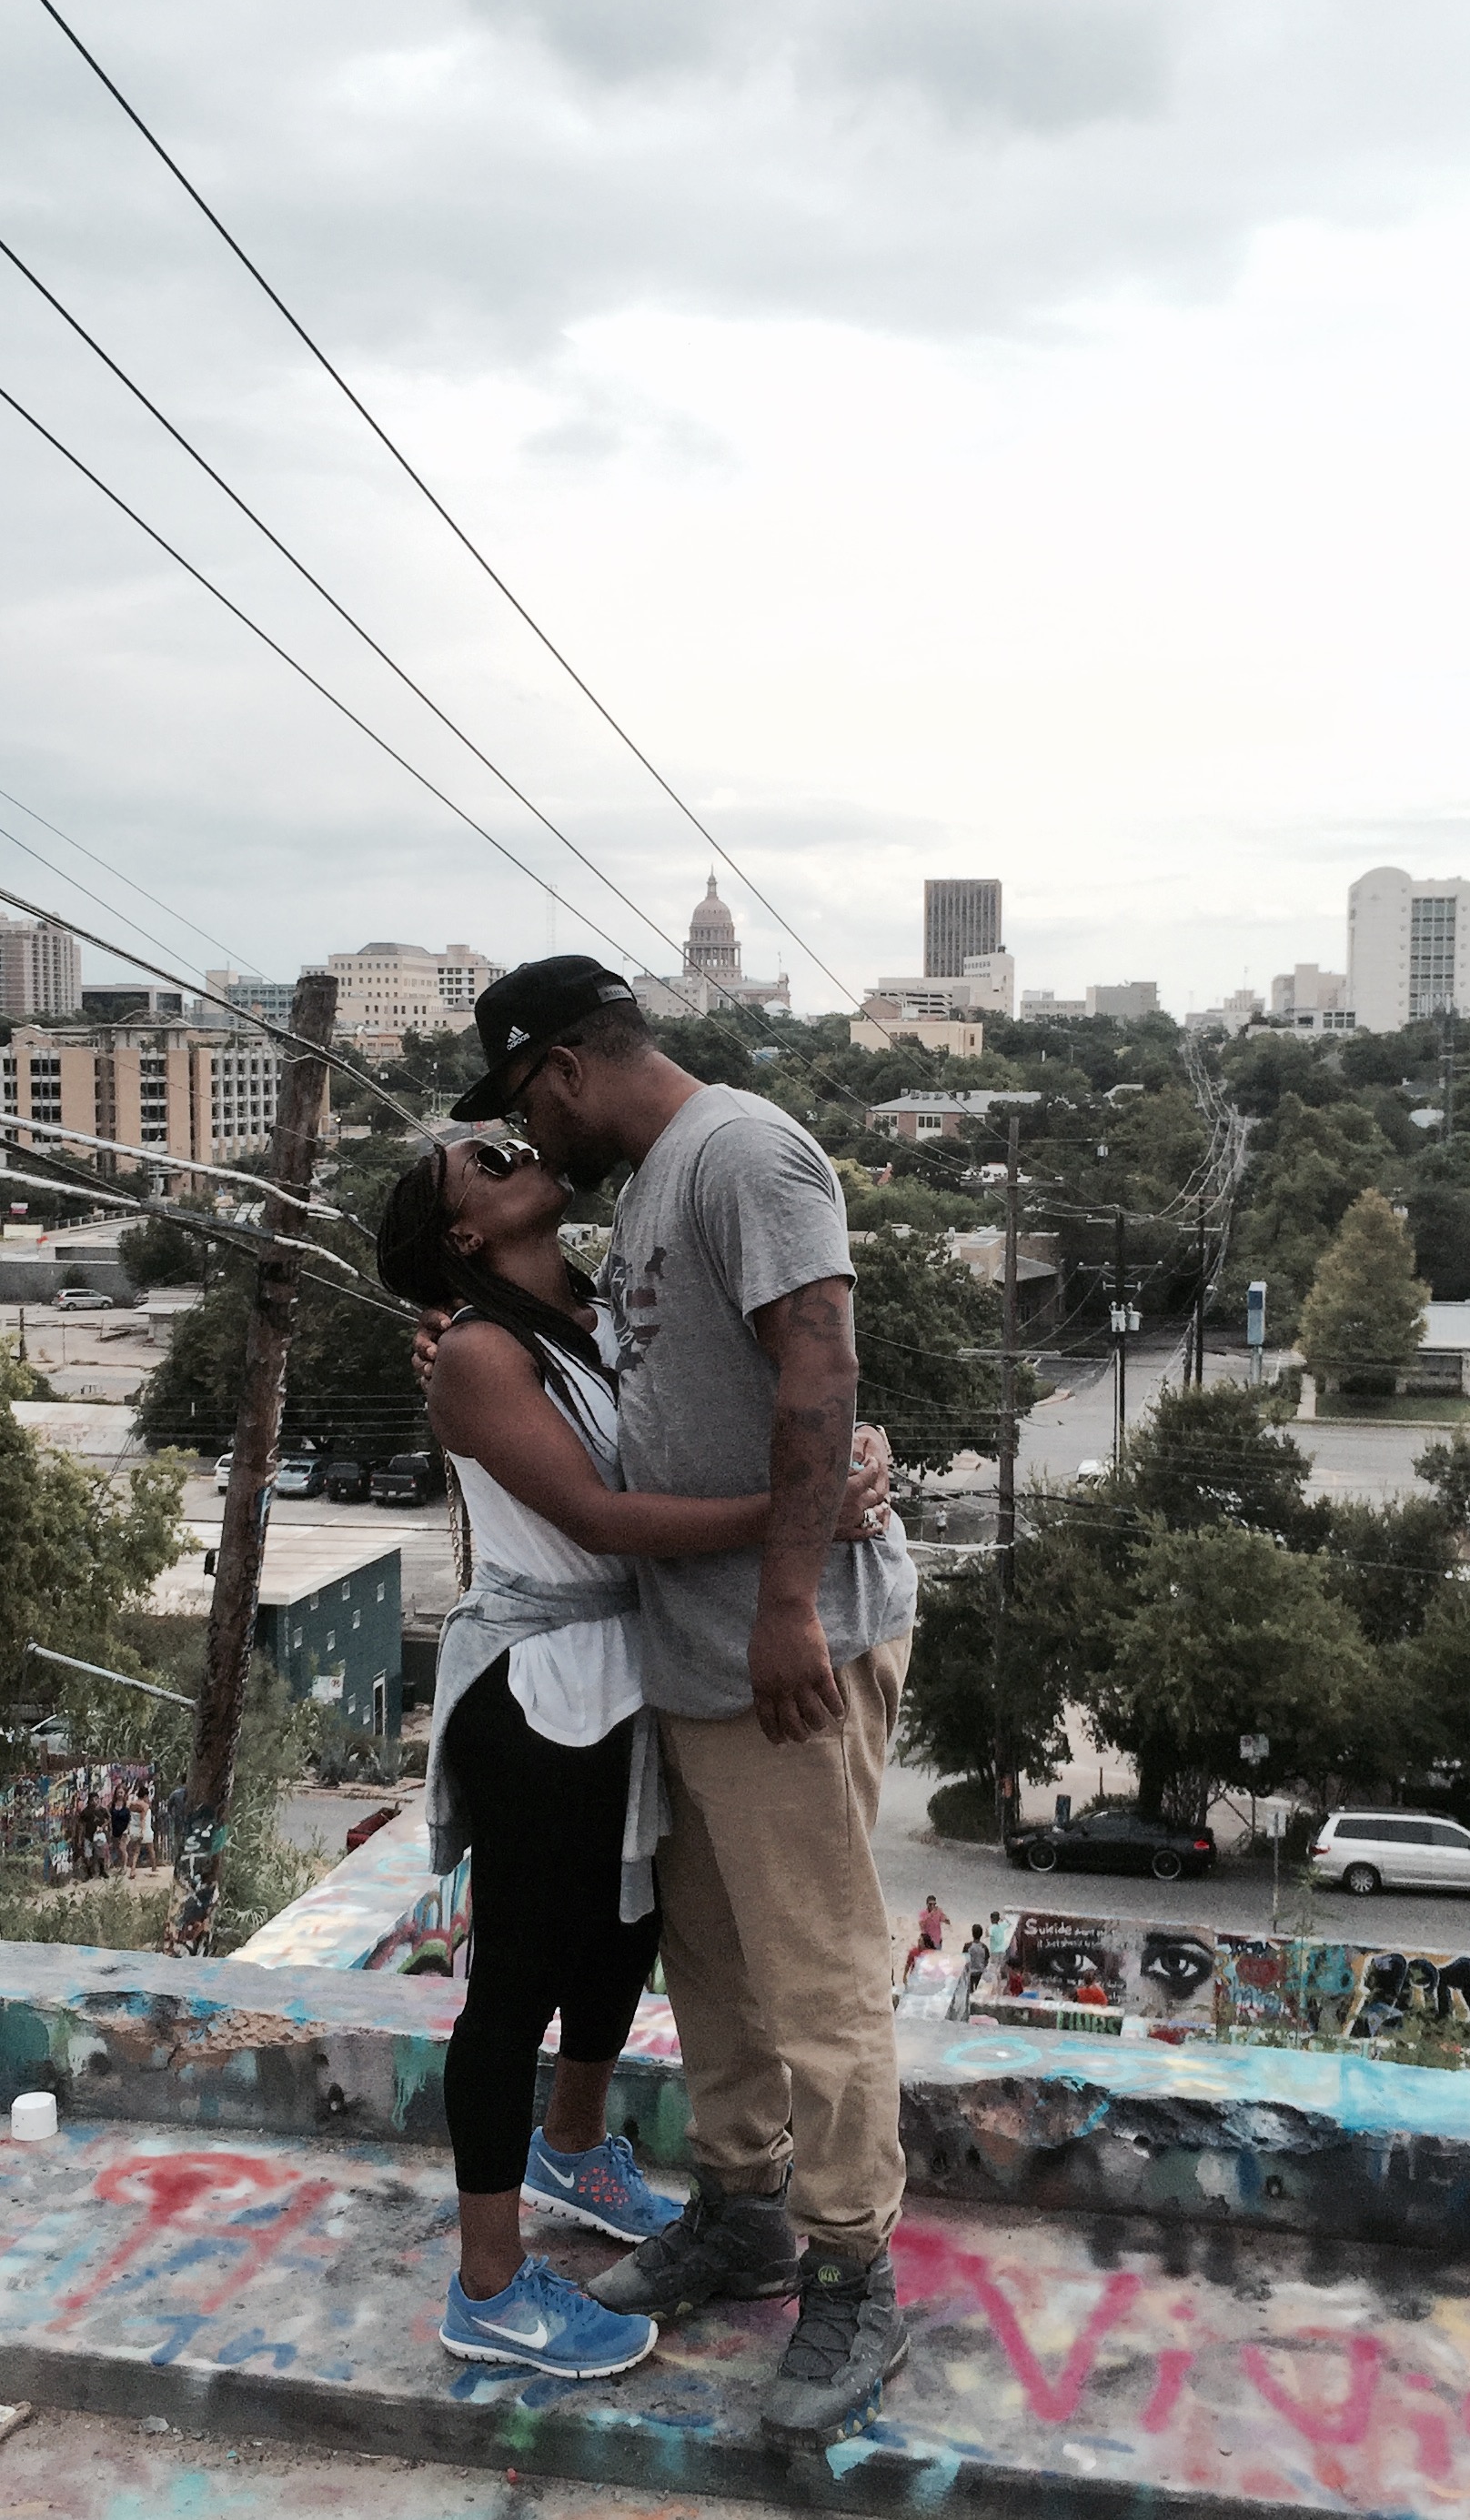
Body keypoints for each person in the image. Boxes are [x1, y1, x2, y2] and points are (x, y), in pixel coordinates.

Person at [427, 956, 916, 2447]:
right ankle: (743, 2208)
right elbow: (618, 1395)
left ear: (566, 1068)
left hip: (787, 1645)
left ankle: (852, 2270)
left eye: (521, 1108)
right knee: (710, 1962)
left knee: (817, 1968)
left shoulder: (742, 1151)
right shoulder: (647, 1192)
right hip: (691, 1659)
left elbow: (819, 1362)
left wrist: (786, 1598)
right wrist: (459, 1331)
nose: (525, 1140)